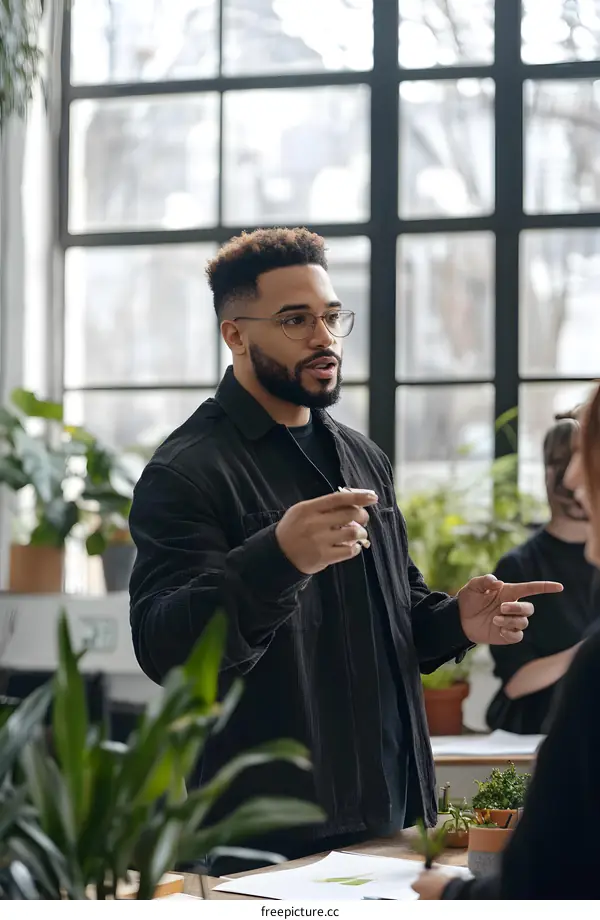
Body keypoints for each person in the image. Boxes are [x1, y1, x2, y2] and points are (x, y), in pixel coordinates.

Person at [128, 228, 561, 868]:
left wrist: (457, 621)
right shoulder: (186, 471)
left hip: (396, 819)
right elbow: (165, 649)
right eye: (296, 320)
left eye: (331, 317)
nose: (324, 338)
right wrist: (278, 557)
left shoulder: (363, 457)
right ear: (235, 336)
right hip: (267, 846)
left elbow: (396, 614)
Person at [412, 383, 600, 899]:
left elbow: (541, 884)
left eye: (584, 457)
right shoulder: (522, 563)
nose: (572, 479)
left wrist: (449, 895)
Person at [486, 418, 597, 734]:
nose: (571, 482)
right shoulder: (519, 567)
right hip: (536, 729)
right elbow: (516, 681)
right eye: (560, 466)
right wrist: (588, 651)